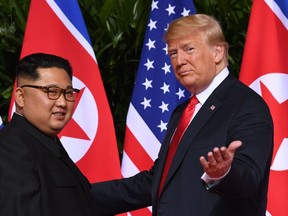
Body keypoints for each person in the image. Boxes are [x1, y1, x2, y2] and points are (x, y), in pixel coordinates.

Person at [92, 14, 274, 216]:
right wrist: (79, 195)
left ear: (217, 52)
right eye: (172, 53)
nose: (179, 61)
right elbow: (158, 182)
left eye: (189, 49)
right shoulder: (183, 111)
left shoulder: (246, 105)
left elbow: (248, 179)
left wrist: (224, 174)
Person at [0, 53, 97, 215]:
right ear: (20, 97)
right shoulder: (10, 149)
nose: (62, 102)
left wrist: (150, 182)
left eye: (68, 93)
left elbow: (78, 199)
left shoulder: (44, 142)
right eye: (51, 91)